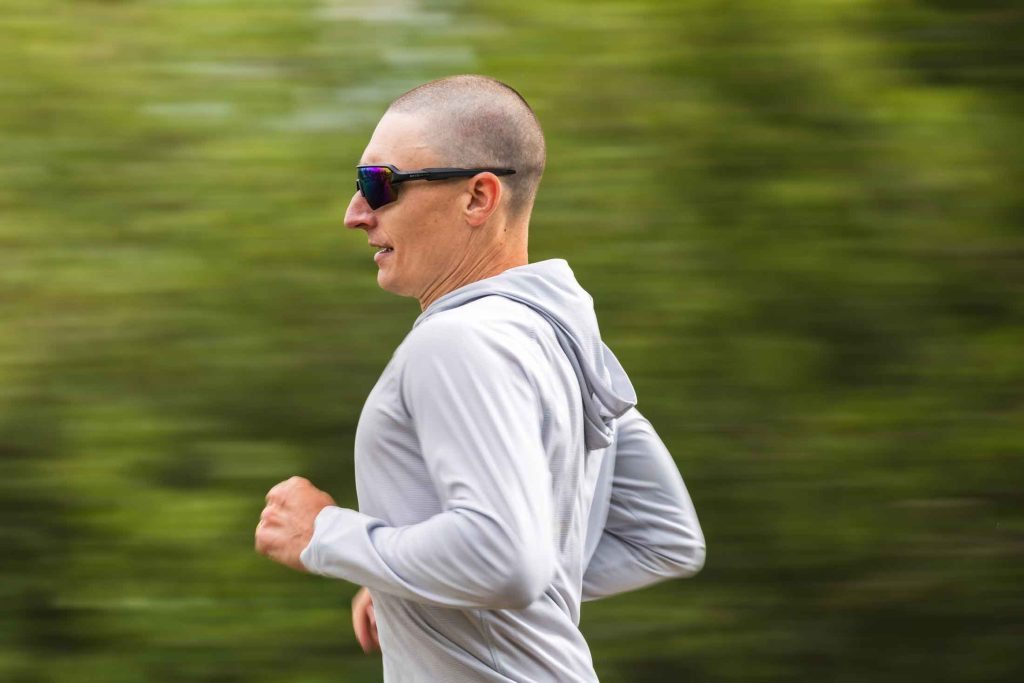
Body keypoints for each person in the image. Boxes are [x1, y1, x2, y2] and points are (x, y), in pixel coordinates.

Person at [255, 74, 706, 682]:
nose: (355, 214)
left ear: (478, 198)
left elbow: (504, 559)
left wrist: (326, 535)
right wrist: (418, 586)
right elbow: (662, 537)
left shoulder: (457, 340)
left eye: (379, 184)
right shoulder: (563, 342)